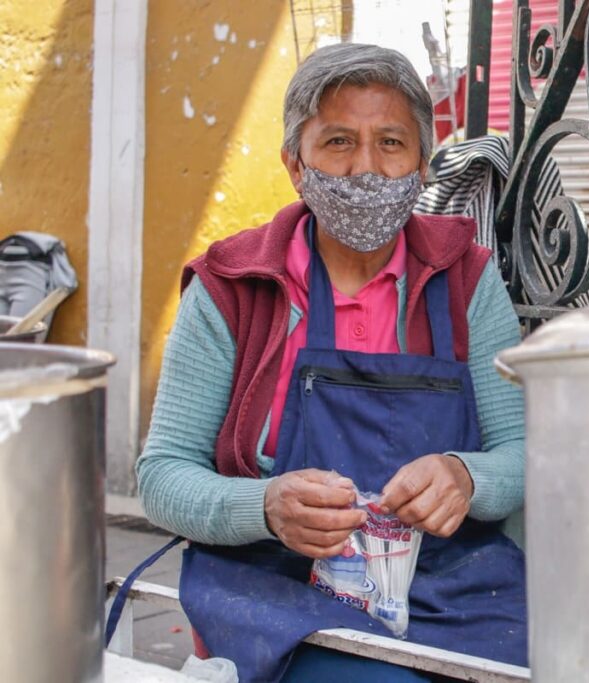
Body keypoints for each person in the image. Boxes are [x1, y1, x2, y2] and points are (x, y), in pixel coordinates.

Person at [136, 42, 527, 682]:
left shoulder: (466, 280)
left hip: (449, 587)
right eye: (339, 142)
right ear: (296, 164)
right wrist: (264, 506)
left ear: (423, 164)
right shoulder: (233, 287)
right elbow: (162, 475)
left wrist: (465, 476)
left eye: (392, 143)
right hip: (274, 588)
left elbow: (522, 452)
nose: (367, 169)